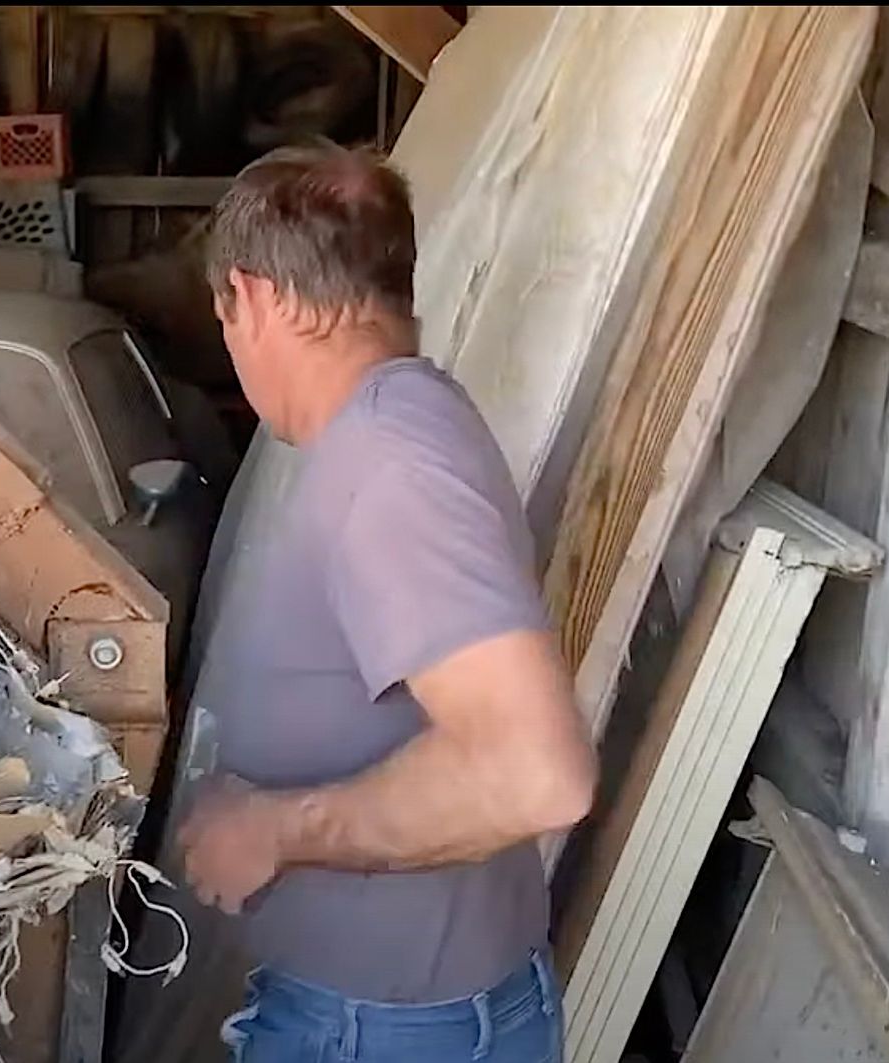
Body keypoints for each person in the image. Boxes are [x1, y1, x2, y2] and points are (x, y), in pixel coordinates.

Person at [176, 143, 599, 1063]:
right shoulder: (401, 422)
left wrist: (276, 830)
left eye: (225, 314)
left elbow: (539, 773)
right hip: (394, 1018)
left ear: (258, 297)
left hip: (389, 1034)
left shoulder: (392, 464)